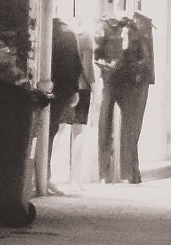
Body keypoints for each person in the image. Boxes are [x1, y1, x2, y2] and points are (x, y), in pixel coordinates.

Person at [101, 15, 154, 184]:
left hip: (128, 81)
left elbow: (145, 59)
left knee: (127, 128)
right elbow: (145, 60)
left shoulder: (138, 29)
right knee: (114, 126)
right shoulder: (110, 28)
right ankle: (115, 172)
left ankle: (124, 172)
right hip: (121, 80)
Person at [47, 17, 91, 194]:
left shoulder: (50, 31)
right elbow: (78, 67)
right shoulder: (67, 35)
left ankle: (44, 175)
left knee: (50, 132)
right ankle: (52, 176)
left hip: (52, 87)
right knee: (52, 130)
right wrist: (75, 91)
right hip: (65, 89)